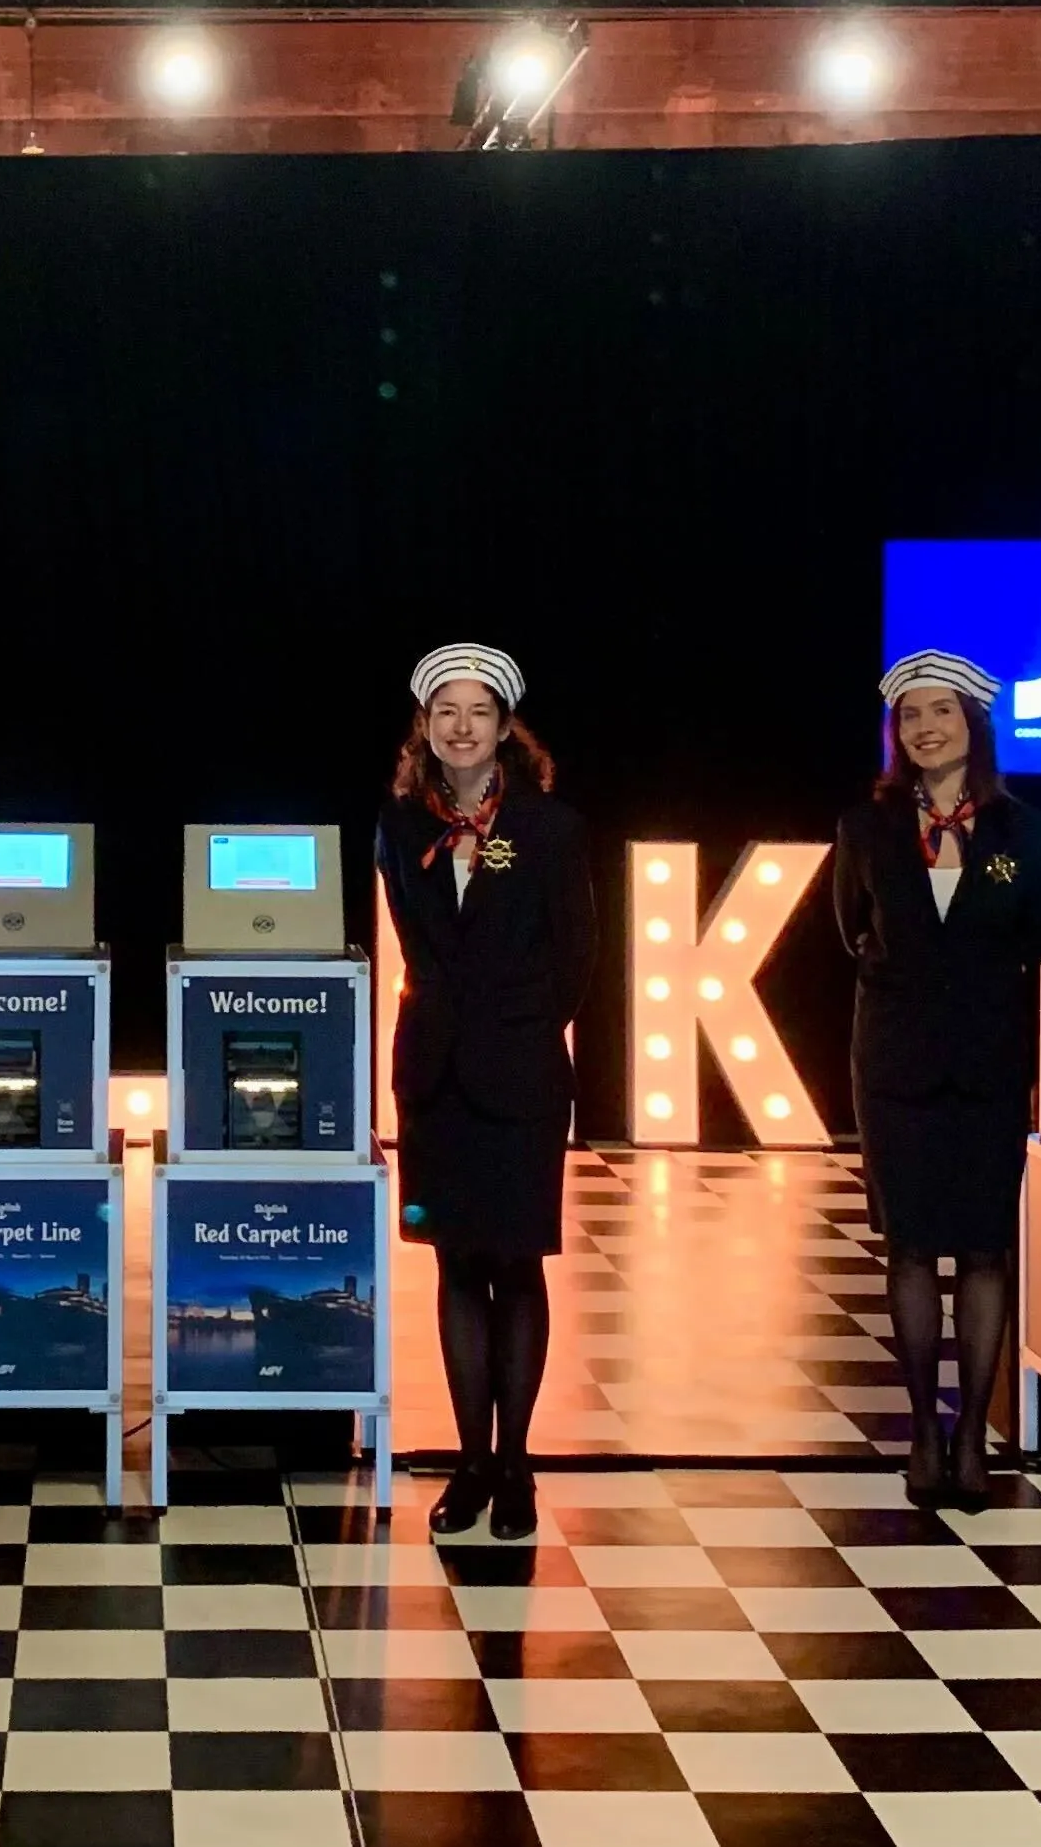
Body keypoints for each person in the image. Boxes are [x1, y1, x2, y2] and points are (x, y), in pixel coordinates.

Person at [832, 651, 1041, 1509]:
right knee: (907, 1246)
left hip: (989, 1060)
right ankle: (921, 1435)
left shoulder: (1027, 833)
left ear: (974, 723)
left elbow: (1039, 944)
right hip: (892, 1061)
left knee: (982, 1247)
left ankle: (971, 1436)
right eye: (910, 716)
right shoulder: (866, 827)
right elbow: (852, 931)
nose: (925, 728)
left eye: (942, 712)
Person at [376, 643, 596, 1542]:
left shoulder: (548, 829)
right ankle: (470, 1461)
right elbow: (416, 944)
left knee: (517, 1264)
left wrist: (513, 1029)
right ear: (425, 729)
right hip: (434, 1074)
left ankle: (518, 1466)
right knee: (455, 1266)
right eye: (444, 713)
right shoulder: (399, 824)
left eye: (477, 713)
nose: (460, 728)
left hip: (521, 1077)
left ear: (505, 729)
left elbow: (575, 962)